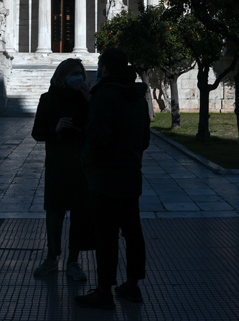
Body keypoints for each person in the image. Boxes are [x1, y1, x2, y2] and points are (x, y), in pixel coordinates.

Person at [76, 49, 150, 310]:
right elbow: (145, 140)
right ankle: (132, 286)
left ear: (105, 69)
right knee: (133, 233)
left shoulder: (105, 95)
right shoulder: (138, 97)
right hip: (130, 175)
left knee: (106, 237)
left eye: (99, 65)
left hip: (106, 179)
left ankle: (104, 291)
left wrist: (87, 165)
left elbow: (97, 138)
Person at [30, 59, 95, 281]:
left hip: (81, 163)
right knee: (55, 211)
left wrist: (89, 99)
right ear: (62, 76)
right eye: (73, 73)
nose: (78, 77)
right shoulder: (47, 100)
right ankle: (51, 257)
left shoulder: (87, 100)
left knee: (79, 212)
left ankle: (73, 261)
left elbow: (100, 127)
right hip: (57, 162)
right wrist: (55, 128)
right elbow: (37, 132)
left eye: (81, 73)